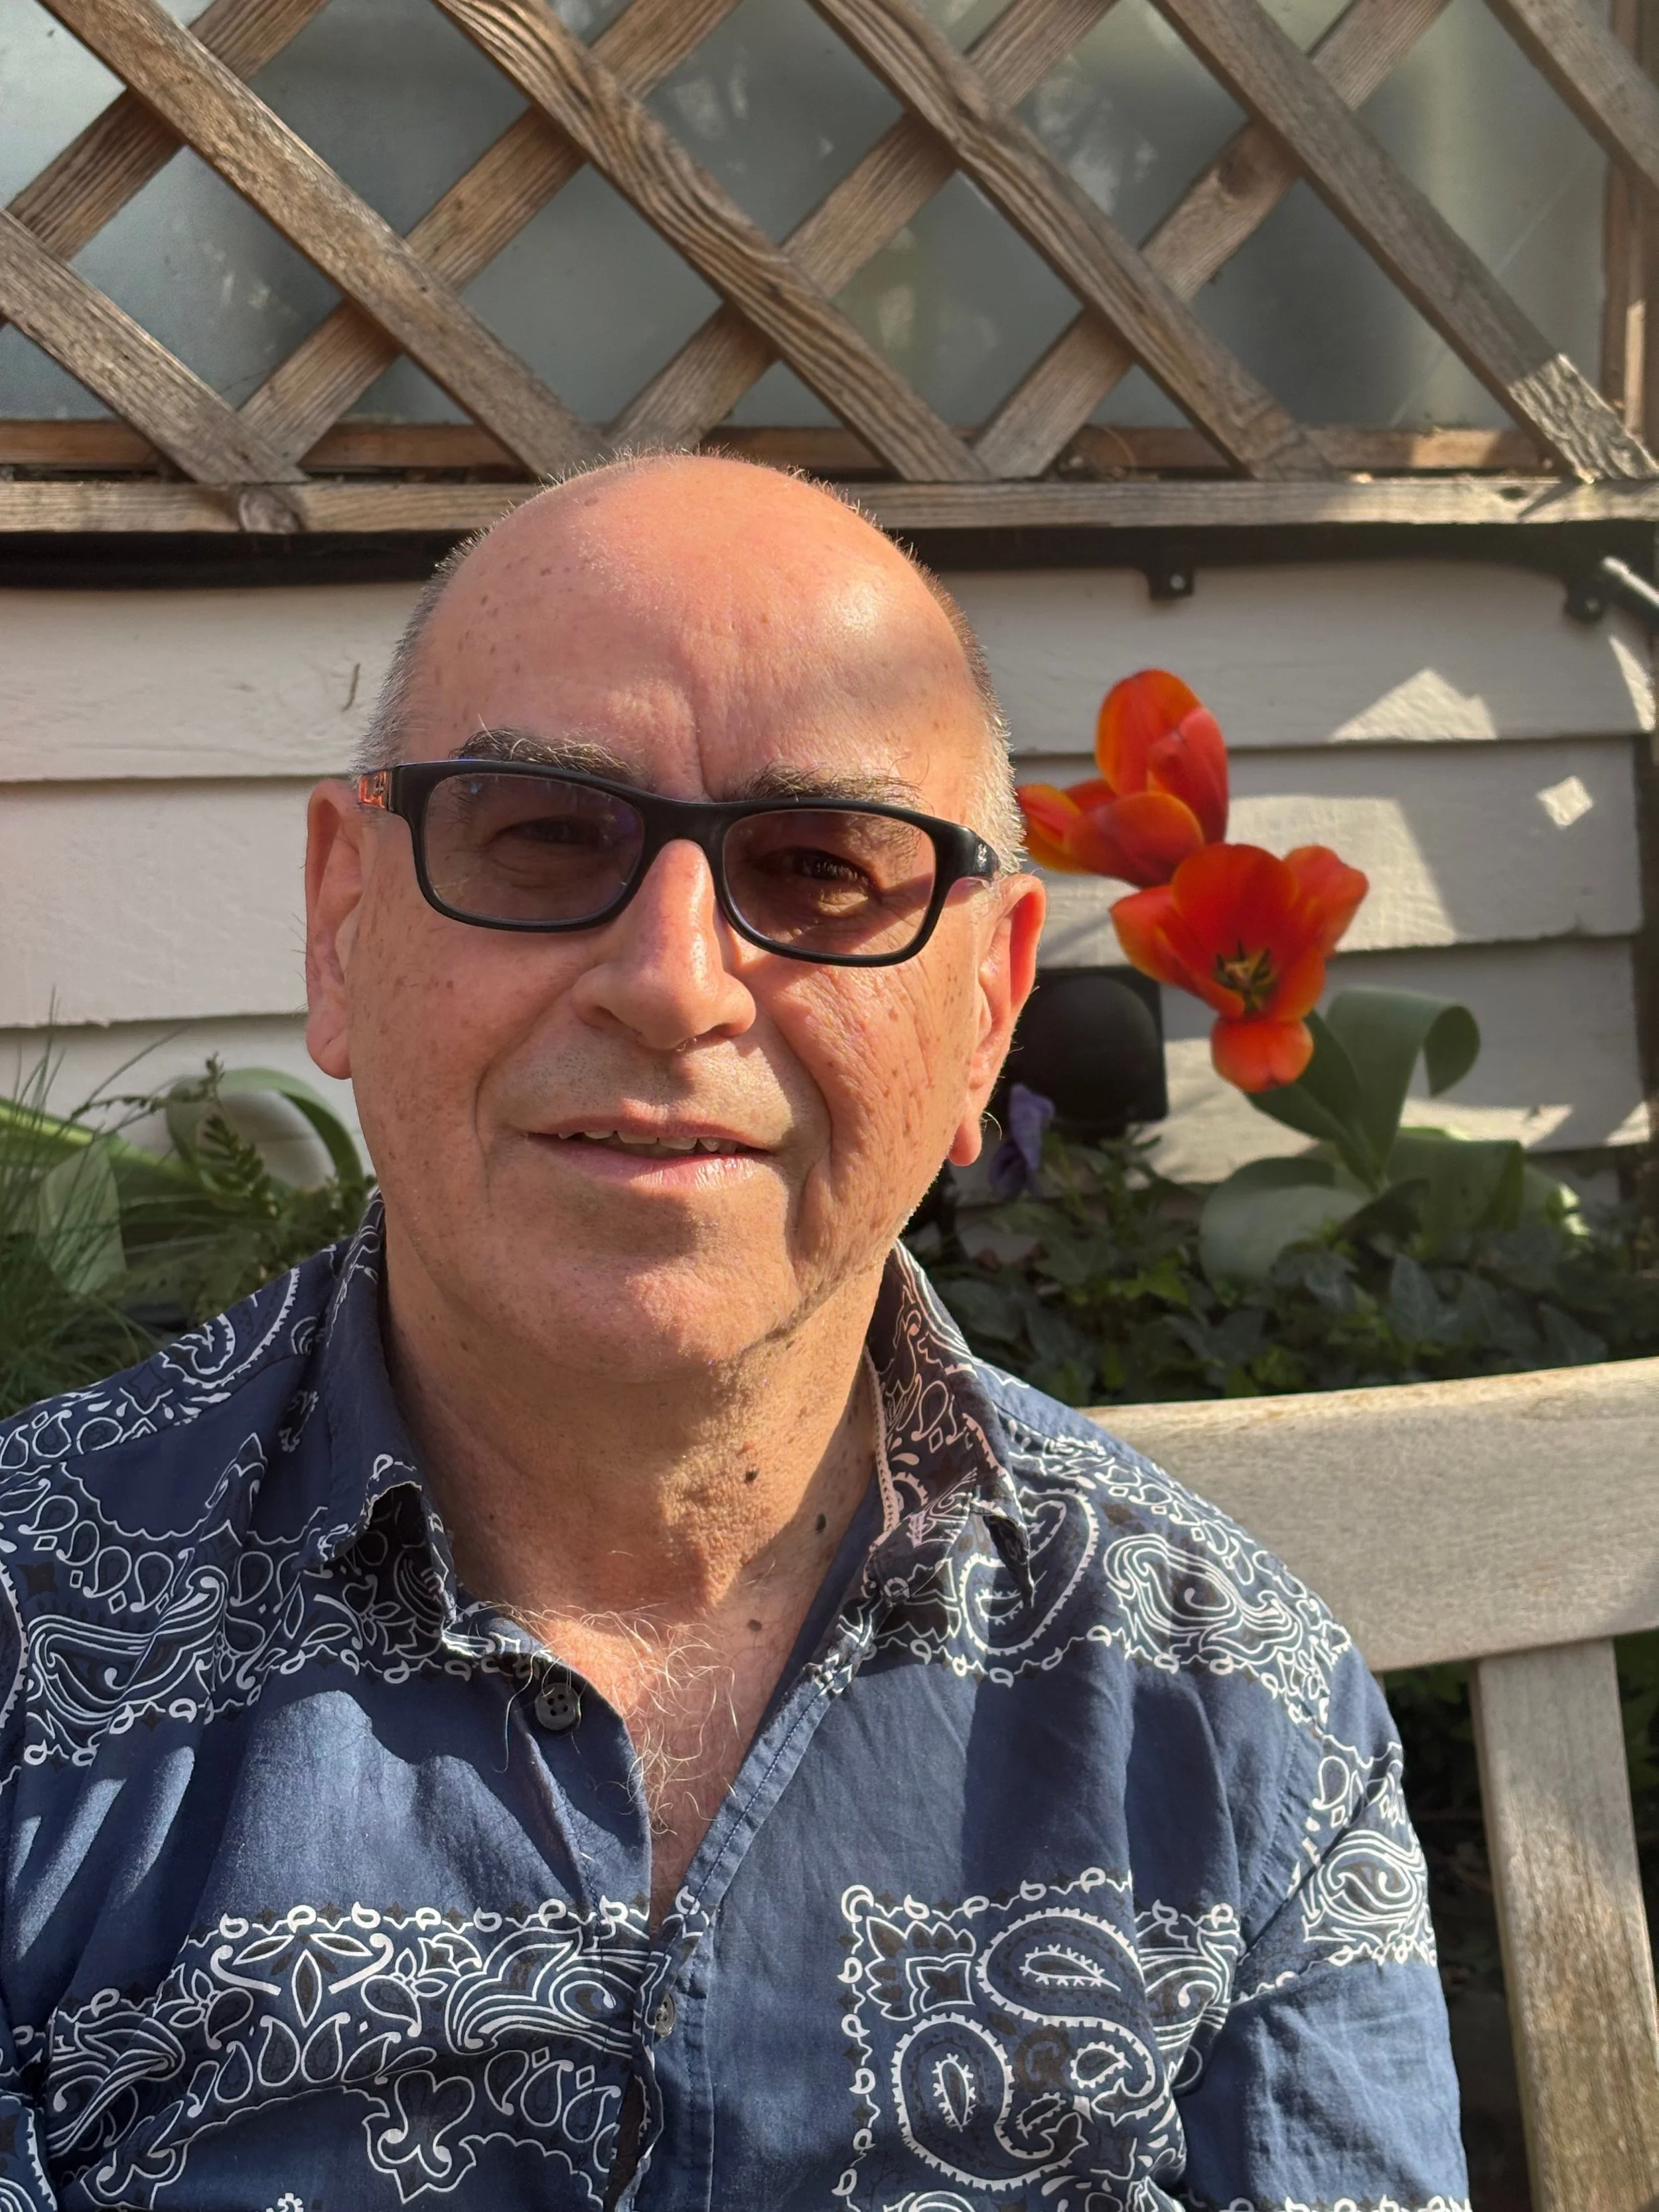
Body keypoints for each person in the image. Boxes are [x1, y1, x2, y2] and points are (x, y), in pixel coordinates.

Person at [0, 457, 1466, 2211]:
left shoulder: (1232, 1711)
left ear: (988, 1004)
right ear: (341, 917)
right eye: (542, 833)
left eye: (823, 867)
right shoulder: (28, 1628)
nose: (673, 977)